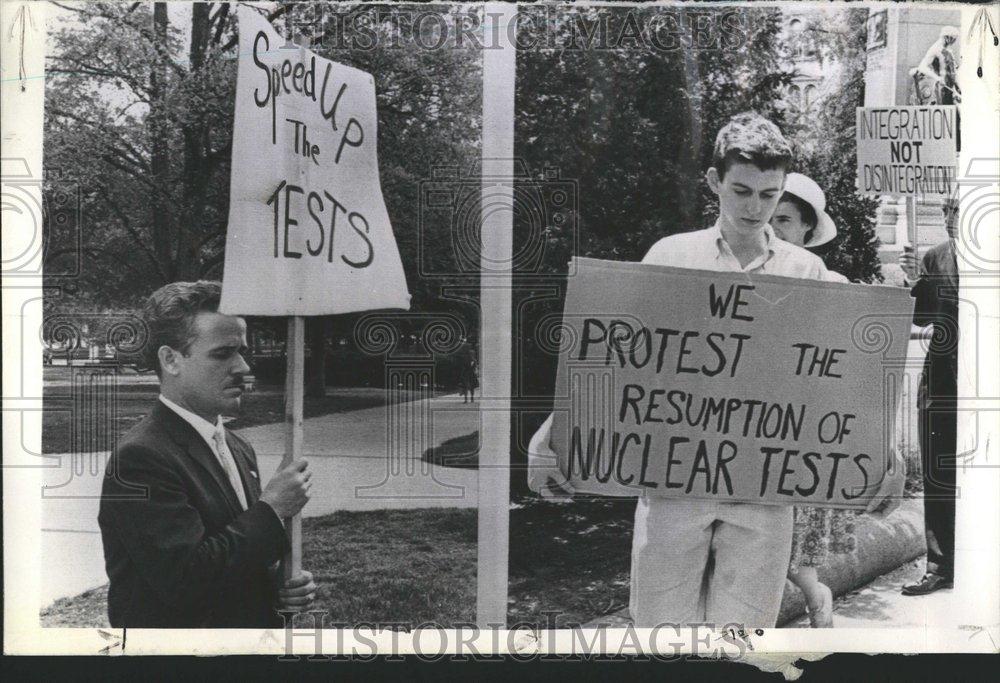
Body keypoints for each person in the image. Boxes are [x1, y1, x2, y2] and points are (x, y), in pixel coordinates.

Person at [528, 113, 904, 629]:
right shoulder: (672, 255)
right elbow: (616, 356)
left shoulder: (805, 269)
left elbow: (837, 376)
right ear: (714, 182)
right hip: (672, 482)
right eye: (741, 190)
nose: (755, 208)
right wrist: (551, 435)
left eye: (769, 195)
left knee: (744, 641)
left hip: (765, 492)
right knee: (661, 635)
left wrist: (881, 451)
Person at [98, 281, 317, 628]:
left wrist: (272, 587)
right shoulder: (140, 459)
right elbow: (184, 580)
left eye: (243, 351)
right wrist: (273, 508)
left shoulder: (238, 447)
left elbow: (229, 558)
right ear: (171, 360)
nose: (243, 368)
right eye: (222, 353)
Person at [770, 172, 857, 627]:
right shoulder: (740, 279)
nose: (772, 228)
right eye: (768, 217)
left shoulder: (831, 284)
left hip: (802, 433)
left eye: (783, 220)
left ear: (807, 229)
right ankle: (815, 595)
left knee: (794, 538)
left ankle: (815, 597)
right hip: (745, 429)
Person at [898, 197, 960, 596]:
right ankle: (940, 565)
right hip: (942, 381)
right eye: (949, 211)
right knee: (939, 475)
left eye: (961, 210)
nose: (953, 218)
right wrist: (909, 283)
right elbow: (919, 315)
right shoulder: (935, 258)